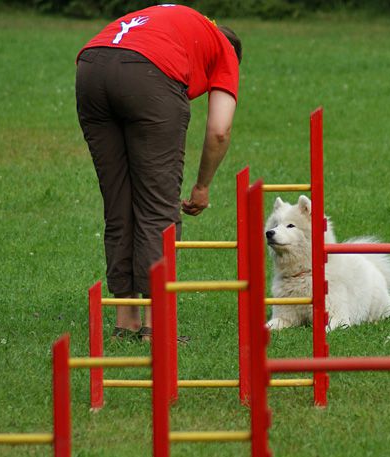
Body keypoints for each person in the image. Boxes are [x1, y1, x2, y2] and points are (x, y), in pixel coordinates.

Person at [75, 4, 242, 341]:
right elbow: (220, 130)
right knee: (157, 207)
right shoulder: (224, 49)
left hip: (90, 67)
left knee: (119, 204)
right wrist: (202, 186)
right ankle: (155, 326)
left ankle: (126, 321)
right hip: (147, 74)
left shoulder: (175, 22)